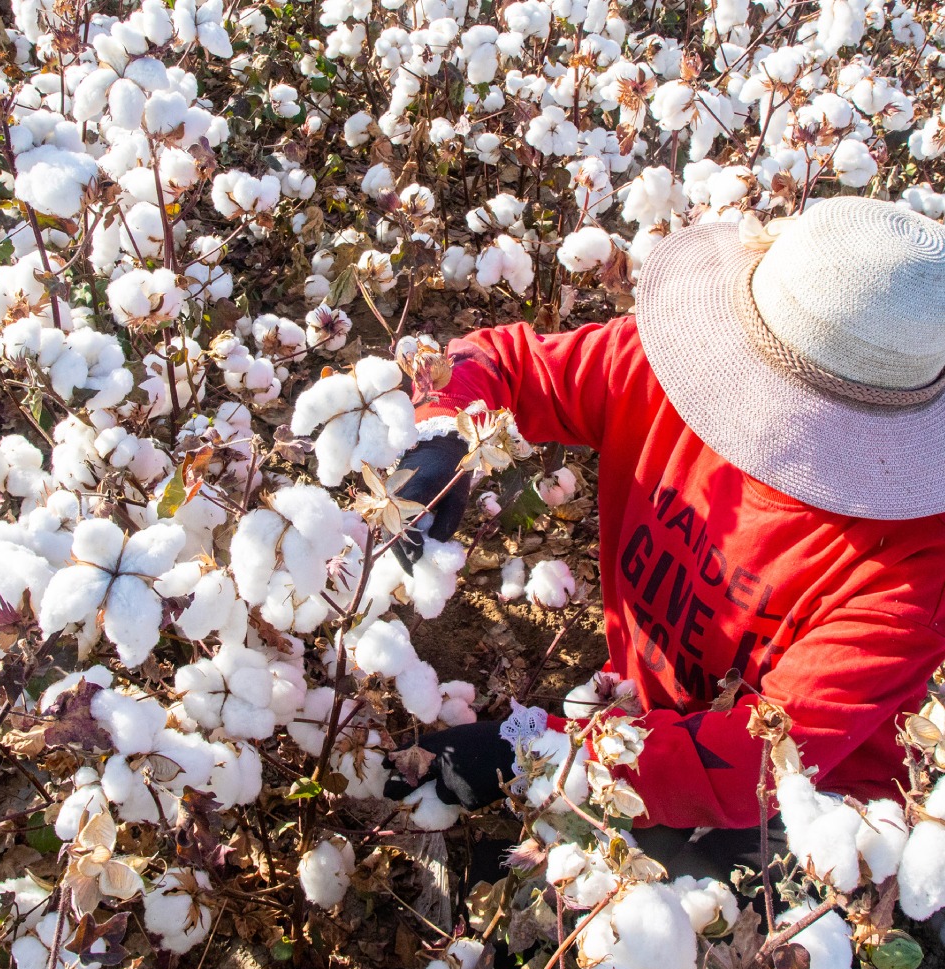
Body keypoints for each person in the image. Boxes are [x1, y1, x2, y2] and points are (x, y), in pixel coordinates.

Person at [382, 195, 945, 880]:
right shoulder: (673, 373)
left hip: (812, 804)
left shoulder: (914, 572)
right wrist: (441, 434)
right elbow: (502, 363)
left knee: (699, 930)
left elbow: (758, 762)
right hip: (647, 718)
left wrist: (533, 752)